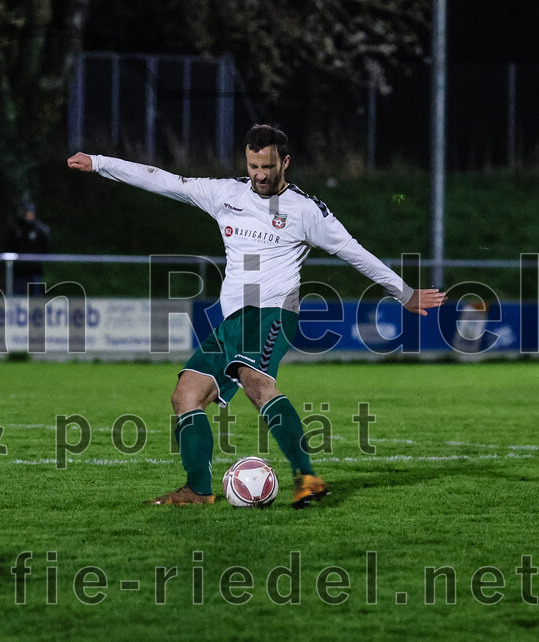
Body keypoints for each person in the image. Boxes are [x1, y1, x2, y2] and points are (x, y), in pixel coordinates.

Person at [67, 124, 446, 508]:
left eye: (267, 166)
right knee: (186, 395)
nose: (260, 175)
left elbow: (353, 251)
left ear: (285, 162)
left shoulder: (305, 210)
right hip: (233, 320)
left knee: (255, 381)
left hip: (274, 311)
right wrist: (100, 163)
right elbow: (162, 180)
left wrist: (404, 293)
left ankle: (307, 478)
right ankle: (197, 490)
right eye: (253, 166)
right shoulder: (225, 194)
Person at [5, 198, 51, 295]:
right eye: (27, 214)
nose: (29, 216)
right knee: (16, 292)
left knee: (36, 293)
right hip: (19, 269)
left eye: (31, 213)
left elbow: (46, 247)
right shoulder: (16, 229)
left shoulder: (40, 229)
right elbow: (9, 246)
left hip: (35, 268)